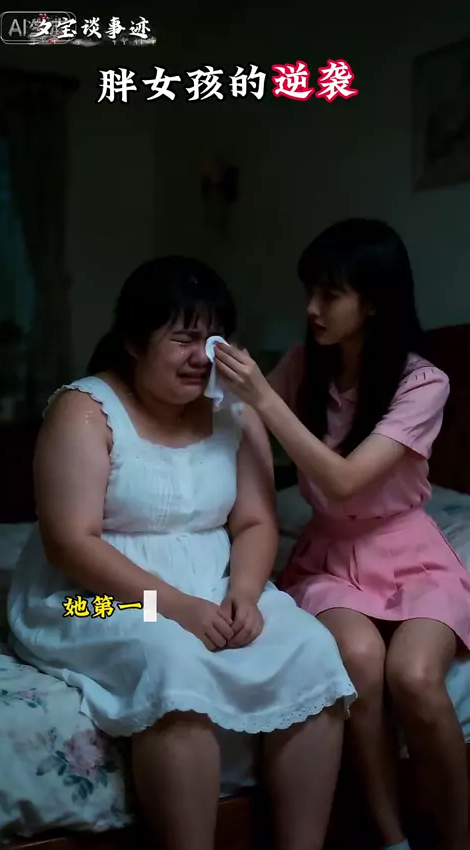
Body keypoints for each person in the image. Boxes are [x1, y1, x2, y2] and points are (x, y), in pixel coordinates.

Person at [8, 256, 356, 850]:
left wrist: (244, 593)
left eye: (214, 338)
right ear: (133, 341)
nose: (203, 357)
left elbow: (255, 521)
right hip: (89, 600)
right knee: (170, 657)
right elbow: (69, 542)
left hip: (213, 586)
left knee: (311, 647)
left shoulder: (233, 410)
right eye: (184, 339)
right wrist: (175, 607)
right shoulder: (84, 410)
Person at [214, 218, 470, 850]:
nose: (311, 308)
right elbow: (238, 421)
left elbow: (346, 479)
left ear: (374, 301)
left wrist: (265, 401)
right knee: (357, 661)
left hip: (411, 554)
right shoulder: (305, 365)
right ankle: (391, 838)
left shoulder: (422, 382)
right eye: (310, 290)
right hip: (330, 557)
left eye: (329, 294)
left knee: (415, 676)